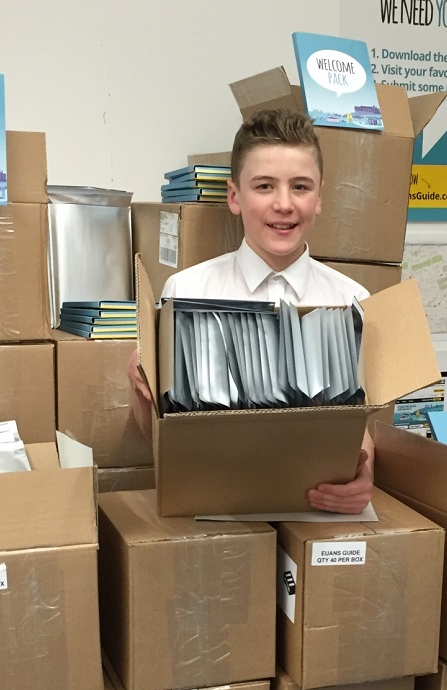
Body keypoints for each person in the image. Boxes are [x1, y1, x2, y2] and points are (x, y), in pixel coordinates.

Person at [128, 107, 374, 515]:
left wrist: (365, 478)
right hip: (215, 513)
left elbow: (360, 426)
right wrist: (138, 389)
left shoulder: (352, 301)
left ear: (319, 199)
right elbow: (159, 436)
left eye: (300, 187)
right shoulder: (185, 293)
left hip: (316, 515)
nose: (284, 204)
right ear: (234, 197)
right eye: (264, 186)